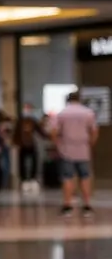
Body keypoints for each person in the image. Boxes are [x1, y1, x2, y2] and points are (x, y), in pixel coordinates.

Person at [52, 90, 98, 218]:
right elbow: (94, 131)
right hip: (83, 150)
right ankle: (87, 205)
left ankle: (67, 206)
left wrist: (58, 145)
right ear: (79, 99)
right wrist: (90, 144)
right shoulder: (88, 113)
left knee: (67, 177)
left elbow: (54, 132)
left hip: (67, 150)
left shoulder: (62, 114)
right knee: (85, 176)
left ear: (68, 100)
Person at [16, 105, 45, 194]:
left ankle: (33, 179)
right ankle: (24, 180)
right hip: (22, 145)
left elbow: (40, 131)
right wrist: (16, 143)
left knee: (34, 162)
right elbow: (16, 133)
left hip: (32, 145)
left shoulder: (33, 121)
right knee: (21, 163)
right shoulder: (20, 121)